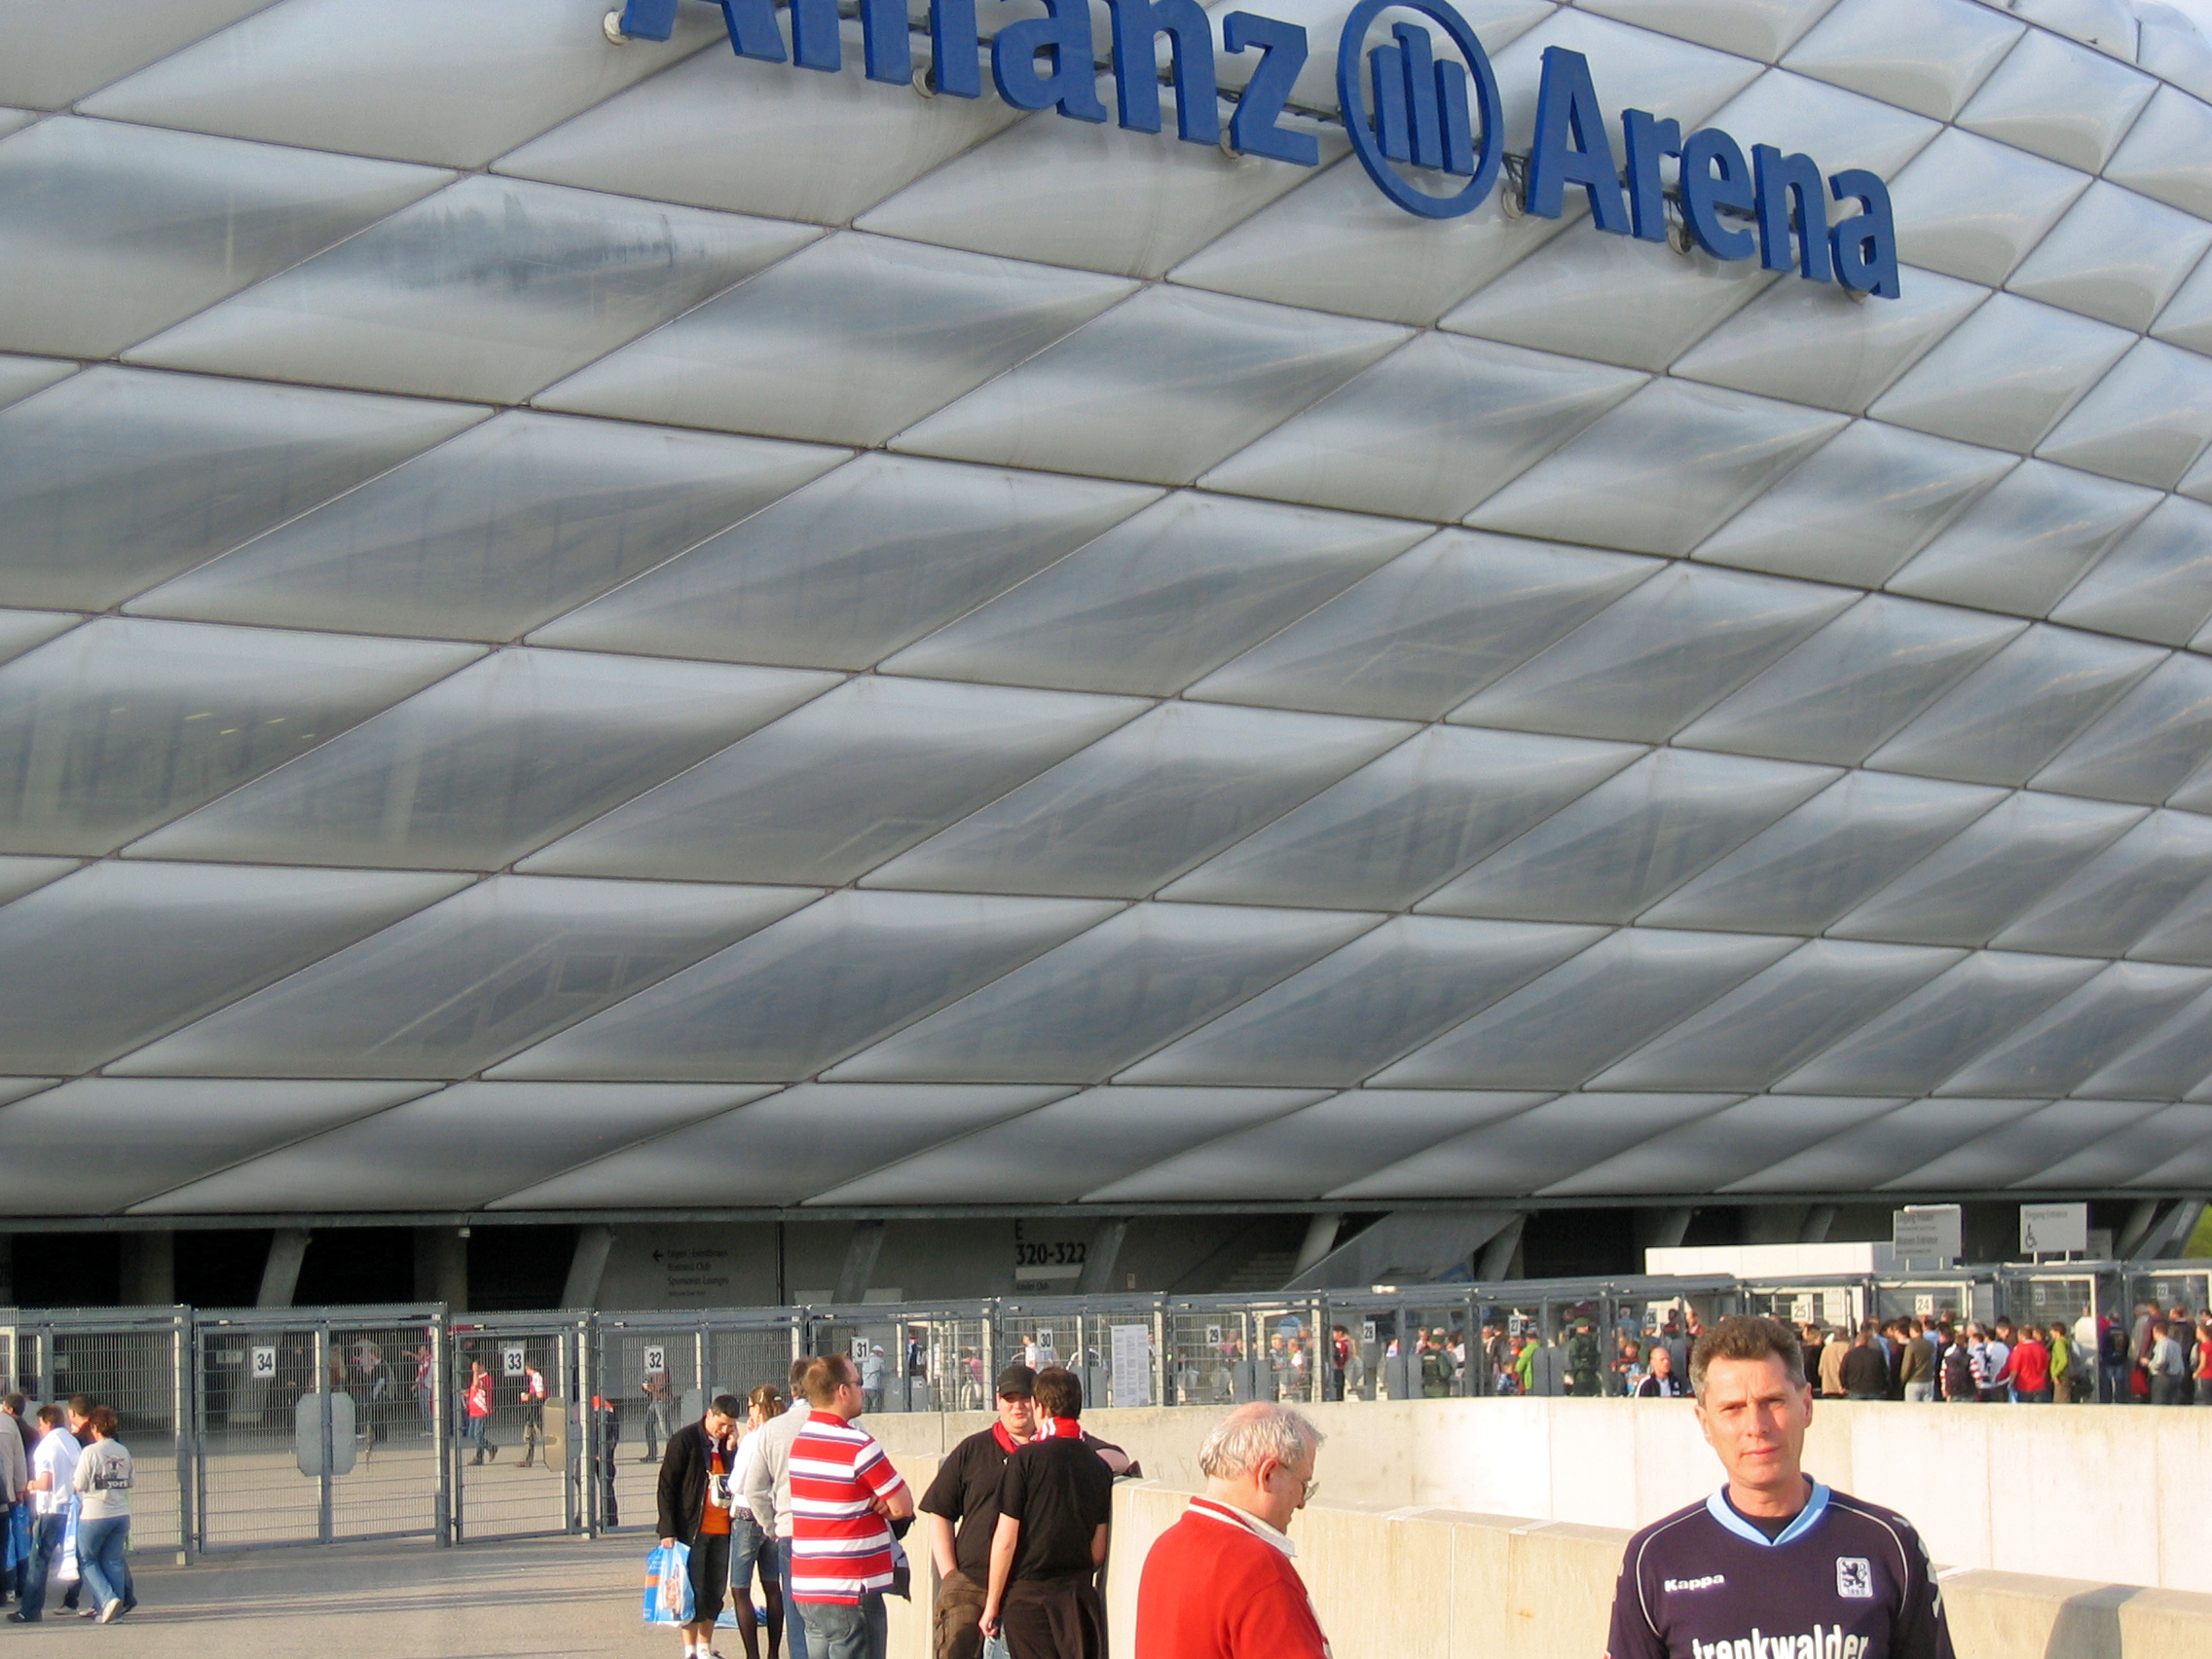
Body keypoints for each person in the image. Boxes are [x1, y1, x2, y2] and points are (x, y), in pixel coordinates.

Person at [1604, 1315, 1955, 1659]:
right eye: (1733, 1409)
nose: (1756, 1426)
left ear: (1805, 1406)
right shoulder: (1655, 1559)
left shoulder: (1888, 1545)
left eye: (1772, 1402)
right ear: (1705, 1423)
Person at [1133, 1403, 1329, 1659]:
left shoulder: (1166, 1546)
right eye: (1303, 1484)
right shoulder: (1259, 1568)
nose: (1302, 1502)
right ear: (1268, 1474)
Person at [979, 1367, 1113, 1659]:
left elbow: (1005, 1540)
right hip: (1078, 1603)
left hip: (1029, 1603)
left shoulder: (1024, 1461)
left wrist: (992, 1603)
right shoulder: (1099, 1467)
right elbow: (1098, 1552)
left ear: (1040, 1407)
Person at [788, 1353, 913, 1659]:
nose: (863, 1390)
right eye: (858, 1383)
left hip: (809, 1586)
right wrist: (879, 1501)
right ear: (842, 1391)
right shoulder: (858, 1445)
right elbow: (904, 1505)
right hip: (852, 1587)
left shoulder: (801, 1443)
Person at [922, 1364, 1040, 1659]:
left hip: (1029, 1589)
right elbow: (940, 1513)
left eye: (1025, 1398)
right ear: (998, 1402)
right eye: (1010, 1399)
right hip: (971, 1584)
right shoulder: (972, 1450)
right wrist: (950, 1575)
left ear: (1038, 1403)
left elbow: (1104, 1455)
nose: (1018, 1407)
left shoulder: (1051, 1453)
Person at [743, 1357, 822, 1659]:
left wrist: (771, 1527)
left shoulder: (773, 1429)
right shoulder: (846, 1424)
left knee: (798, 1617)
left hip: (791, 1530)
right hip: (835, 1533)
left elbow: (753, 1488)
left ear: (792, 1391)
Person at [657, 1392, 743, 1659]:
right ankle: (690, 1650)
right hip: (692, 1530)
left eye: (731, 1425)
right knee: (690, 1592)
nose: (725, 1430)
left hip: (723, 1530)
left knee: (714, 1593)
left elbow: (740, 1481)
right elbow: (667, 1485)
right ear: (710, 1415)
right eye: (722, 1424)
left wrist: (732, 1448)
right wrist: (668, 1530)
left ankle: (705, 1648)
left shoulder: (729, 1446)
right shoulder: (685, 1440)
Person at [728, 1385, 787, 1659]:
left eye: (750, 1406)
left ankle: (752, 1654)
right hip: (773, 1515)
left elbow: (737, 1483)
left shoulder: (753, 1440)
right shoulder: (780, 1435)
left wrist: (741, 1444)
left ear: (756, 1408)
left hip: (746, 1515)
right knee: (772, 1586)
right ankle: (774, 1652)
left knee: (740, 1588)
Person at [8, 1405, 74, 1624]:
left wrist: (30, 1484)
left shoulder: (47, 1447)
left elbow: (46, 1482)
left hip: (51, 1509)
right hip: (71, 1508)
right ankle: (107, 1597)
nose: (39, 1428)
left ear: (47, 1423)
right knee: (79, 1557)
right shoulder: (71, 1441)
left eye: (41, 1423)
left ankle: (30, 1610)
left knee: (38, 1561)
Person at [71, 1406, 135, 1624]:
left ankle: (108, 1599)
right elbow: (131, 1481)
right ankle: (114, 1613)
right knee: (113, 1560)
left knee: (87, 1559)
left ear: (95, 1427)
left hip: (95, 1513)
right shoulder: (122, 1450)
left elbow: (79, 1484)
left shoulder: (90, 1452)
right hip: (120, 1513)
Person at [463, 1359, 498, 1465]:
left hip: (481, 1410)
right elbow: (475, 1389)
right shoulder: (476, 1378)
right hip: (473, 1410)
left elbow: (478, 1385)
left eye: (477, 1367)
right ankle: (481, 1454)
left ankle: (488, 1450)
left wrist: (475, 1372)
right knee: (472, 1434)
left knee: (478, 1434)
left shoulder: (486, 1378)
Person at [1839, 1330, 1888, 1402]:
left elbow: (1842, 1372)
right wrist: (1884, 1387)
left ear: (1856, 1342)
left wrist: (1845, 1386)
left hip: (1855, 1389)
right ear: (1867, 1342)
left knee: (1856, 1412)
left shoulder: (1849, 1355)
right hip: (1875, 1390)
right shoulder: (1877, 1354)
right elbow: (1885, 1372)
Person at [517, 1361, 549, 1469]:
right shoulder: (535, 1378)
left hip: (536, 1409)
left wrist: (528, 1396)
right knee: (528, 1434)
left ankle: (555, 1453)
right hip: (532, 1410)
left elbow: (540, 1394)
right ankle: (526, 1459)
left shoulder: (536, 1377)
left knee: (540, 1434)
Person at [1899, 1321, 1937, 1404]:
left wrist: (1903, 1379)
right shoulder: (1930, 1345)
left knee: (1912, 1411)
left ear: (1912, 1330)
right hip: (1928, 1380)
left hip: (1914, 1381)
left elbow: (1907, 1365)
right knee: (1928, 1410)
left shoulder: (1911, 1346)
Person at [645, 1368, 677, 1463]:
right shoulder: (654, 1368)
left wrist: (650, 1387)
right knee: (649, 1424)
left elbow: (661, 1385)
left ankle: (672, 1454)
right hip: (656, 1399)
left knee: (665, 1428)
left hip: (663, 1400)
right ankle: (652, 1453)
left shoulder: (661, 1368)